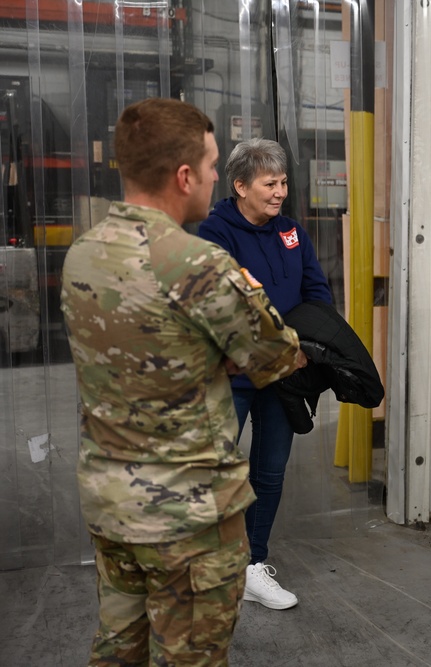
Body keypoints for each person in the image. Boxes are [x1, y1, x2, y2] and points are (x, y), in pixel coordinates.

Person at [60, 98, 303, 665]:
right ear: (185, 175)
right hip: (185, 518)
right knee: (190, 655)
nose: (220, 176)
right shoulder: (199, 266)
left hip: (110, 505)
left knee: (119, 648)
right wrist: (231, 339)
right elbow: (277, 356)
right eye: (215, 164)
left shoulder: (83, 255)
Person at [198, 138, 333, 610]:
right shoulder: (214, 234)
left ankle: (254, 566)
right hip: (229, 378)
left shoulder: (291, 233)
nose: (280, 192)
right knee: (214, 474)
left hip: (284, 377)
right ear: (240, 186)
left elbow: (317, 294)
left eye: (283, 183)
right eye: (269, 184)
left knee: (269, 473)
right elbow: (220, 309)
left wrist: (309, 349)